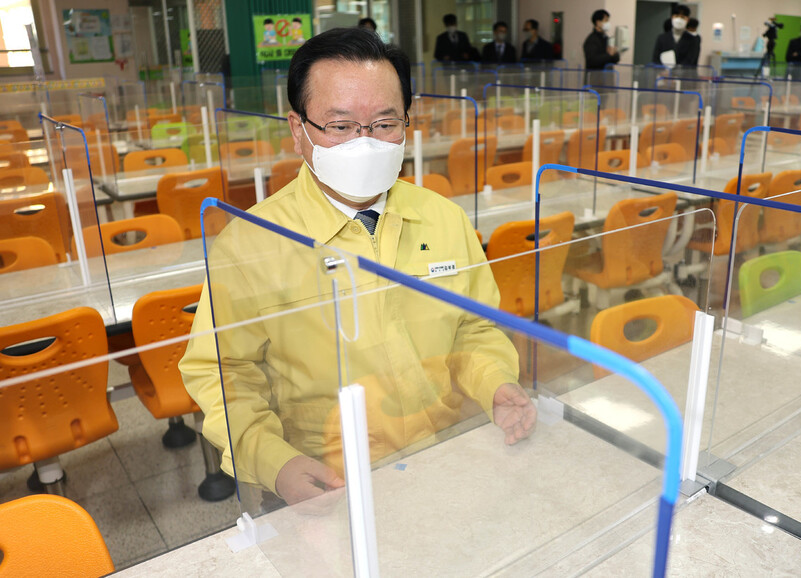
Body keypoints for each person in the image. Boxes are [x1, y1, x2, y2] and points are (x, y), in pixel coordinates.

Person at [180, 28, 536, 505]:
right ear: (298, 130)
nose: (365, 143)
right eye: (341, 126)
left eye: (385, 123)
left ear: (407, 123)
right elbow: (225, 371)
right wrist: (274, 461)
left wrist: (494, 384)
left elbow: (476, 328)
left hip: (446, 456)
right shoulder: (251, 244)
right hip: (326, 481)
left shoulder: (442, 217)